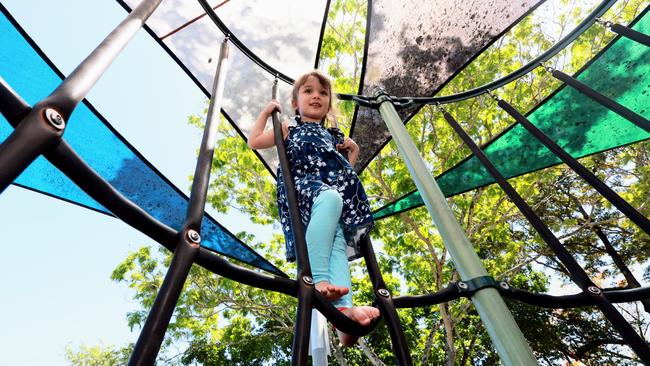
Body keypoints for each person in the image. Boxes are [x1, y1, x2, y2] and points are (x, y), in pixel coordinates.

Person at [248, 70, 380, 346]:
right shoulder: (290, 127)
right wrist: (266, 112)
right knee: (332, 199)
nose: (316, 96)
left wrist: (352, 152)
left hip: (325, 194)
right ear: (296, 102)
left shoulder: (332, 135)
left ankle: (344, 316)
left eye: (322, 92)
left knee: (338, 242)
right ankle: (317, 280)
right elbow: (254, 142)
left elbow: (339, 174)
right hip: (301, 189)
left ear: (329, 103)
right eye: (308, 91)